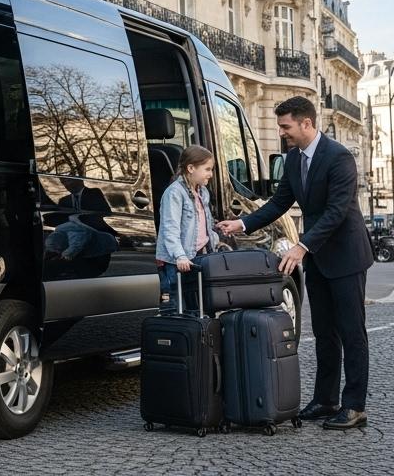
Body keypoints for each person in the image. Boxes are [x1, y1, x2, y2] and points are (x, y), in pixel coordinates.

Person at [215, 96, 373, 430]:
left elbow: (337, 211)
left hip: (345, 256)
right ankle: (326, 399)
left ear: (306, 123)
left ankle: (354, 405)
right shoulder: (292, 160)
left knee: (351, 332)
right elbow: (278, 203)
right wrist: (241, 224)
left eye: (286, 126)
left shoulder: (339, 157)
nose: (282, 133)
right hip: (317, 256)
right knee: (324, 332)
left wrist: (301, 247)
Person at [155, 145, 220, 314]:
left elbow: (202, 225)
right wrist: (180, 256)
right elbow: (170, 229)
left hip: (196, 257)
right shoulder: (175, 193)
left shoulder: (202, 192)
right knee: (175, 308)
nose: (210, 174)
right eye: (207, 169)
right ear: (191, 168)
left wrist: (214, 235)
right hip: (176, 261)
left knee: (197, 308)